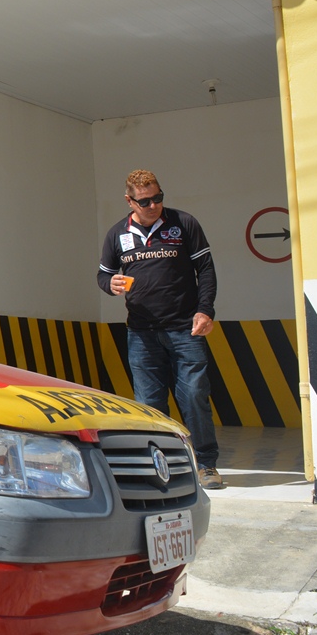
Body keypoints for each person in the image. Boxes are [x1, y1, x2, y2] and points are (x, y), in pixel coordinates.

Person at [97, 169, 224, 491]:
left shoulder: (184, 224)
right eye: (145, 201)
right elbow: (104, 274)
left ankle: (206, 464)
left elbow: (205, 270)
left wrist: (205, 310)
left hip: (186, 328)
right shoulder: (117, 234)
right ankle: (162, 465)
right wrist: (108, 284)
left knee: (194, 395)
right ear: (129, 201)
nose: (153, 205)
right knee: (149, 403)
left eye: (158, 198)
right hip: (141, 332)